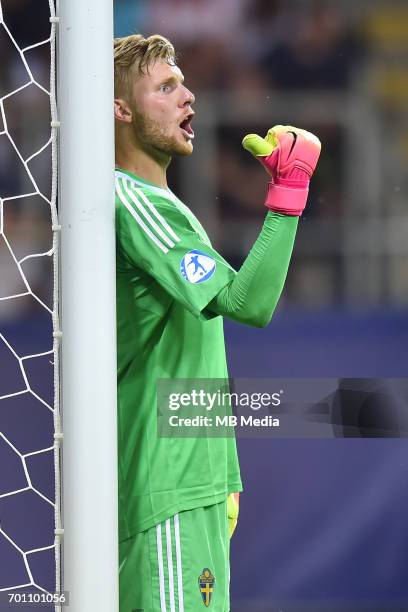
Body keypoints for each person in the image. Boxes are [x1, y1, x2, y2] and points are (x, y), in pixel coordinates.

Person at [114, 33, 321, 612]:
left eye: (183, 82)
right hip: (167, 482)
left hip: (194, 478)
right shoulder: (130, 201)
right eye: (166, 87)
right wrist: (289, 192)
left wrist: (221, 472)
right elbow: (247, 304)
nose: (189, 97)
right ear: (120, 110)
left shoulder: (158, 201)